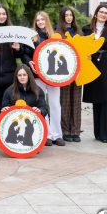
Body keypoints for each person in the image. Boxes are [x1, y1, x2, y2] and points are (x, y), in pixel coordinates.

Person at [82, 4, 107, 143]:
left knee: (106, 100)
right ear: (96, 13)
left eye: (106, 13)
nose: (103, 14)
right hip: (91, 65)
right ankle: (98, 133)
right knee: (96, 100)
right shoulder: (86, 29)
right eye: (101, 12)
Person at [27, 11, 63, 146]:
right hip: (38, 75)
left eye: (42, 19)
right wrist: (29, 61)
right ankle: (46, 134)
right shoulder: (32, 38)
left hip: (54, 76)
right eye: (38, 20)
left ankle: (57, 134)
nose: (40, 22)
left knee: (55, 105)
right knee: (41, 104)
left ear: (46, 21)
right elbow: (26, 53)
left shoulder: (55, 37)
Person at [57, 7, 82, 142]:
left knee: (76, 101)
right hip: (64, 71)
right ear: (62, 17)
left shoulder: (78, 32)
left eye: (71, 15)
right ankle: (65, 130)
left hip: (78, 71)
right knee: (65, 101)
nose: (69, 18)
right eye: (66, 15)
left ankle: (75, 131)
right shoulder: (58, 33)